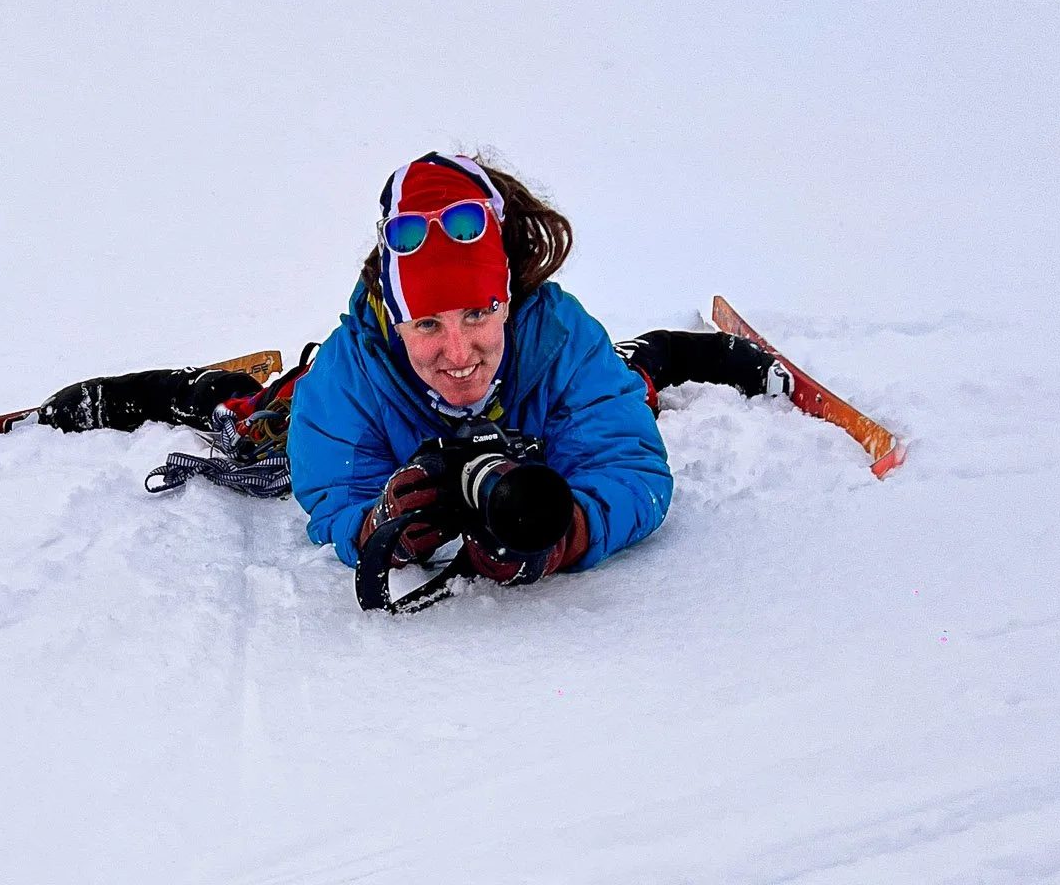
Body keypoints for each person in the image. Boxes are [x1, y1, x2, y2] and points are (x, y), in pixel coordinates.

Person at [39, 152, 788, 590]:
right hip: (332, 398)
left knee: (630, 387)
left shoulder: (558, 338)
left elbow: (632, 467)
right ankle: (189, 389)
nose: (457, 353)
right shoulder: (351, 375)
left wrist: (564, 533)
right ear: (394, 319)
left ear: (508, 302)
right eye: (426, 323)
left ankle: (674, 349)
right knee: (257, 424)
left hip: (557, 401)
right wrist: (383, 527)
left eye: (477, 316)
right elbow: (331, 493)